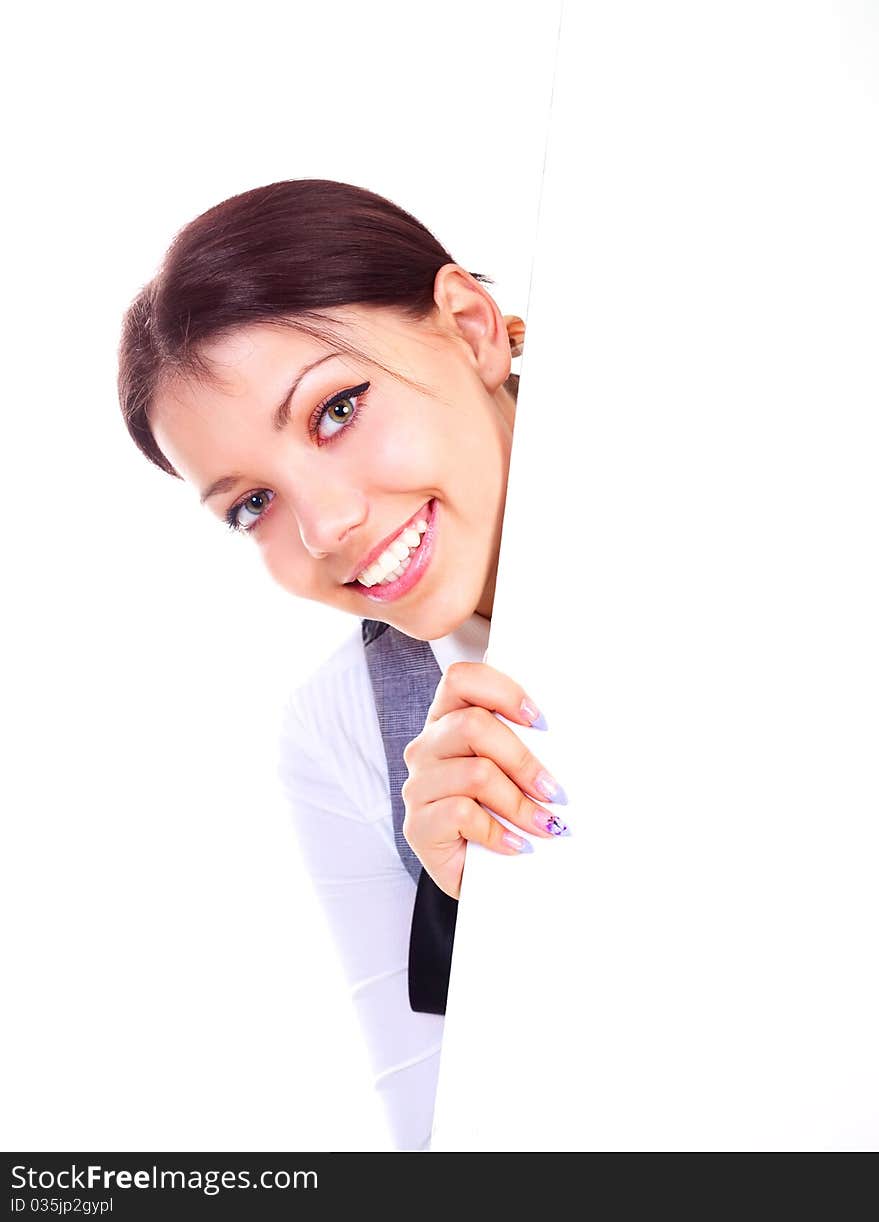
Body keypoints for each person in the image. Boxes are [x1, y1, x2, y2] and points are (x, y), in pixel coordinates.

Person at [117, 178, 571, 1150]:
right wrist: (461, 916)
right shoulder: (343, 727)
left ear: (472, 326)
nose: (324, 527)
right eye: (251, 504)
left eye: (335, 410)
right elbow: (429, 1134)